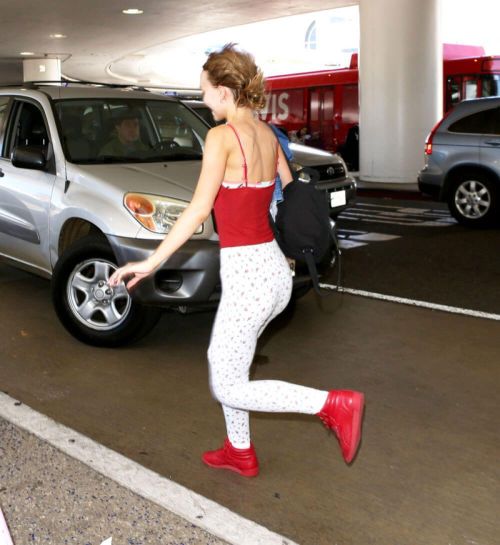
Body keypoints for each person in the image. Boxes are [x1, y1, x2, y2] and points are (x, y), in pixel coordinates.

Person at [108, 44, 365, 477]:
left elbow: (197, 210)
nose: (204, 99)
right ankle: (239, 451)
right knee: (233, 361)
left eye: (206, 91)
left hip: (247, 274)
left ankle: (331, 405)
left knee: (224, 380)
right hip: (273, 270)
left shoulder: (221, 138)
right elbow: (289, 196)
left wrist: (151, 263)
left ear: (225, 91)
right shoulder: (267, 134)